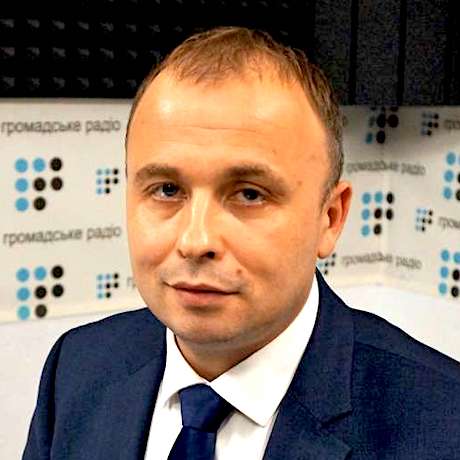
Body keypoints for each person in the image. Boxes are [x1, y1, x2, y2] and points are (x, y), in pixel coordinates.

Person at [23, 27, 460, 460]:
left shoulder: (444, 425)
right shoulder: (77, 367)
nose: (196, 241)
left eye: (250, 194)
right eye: (167, 190)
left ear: (330, 218)